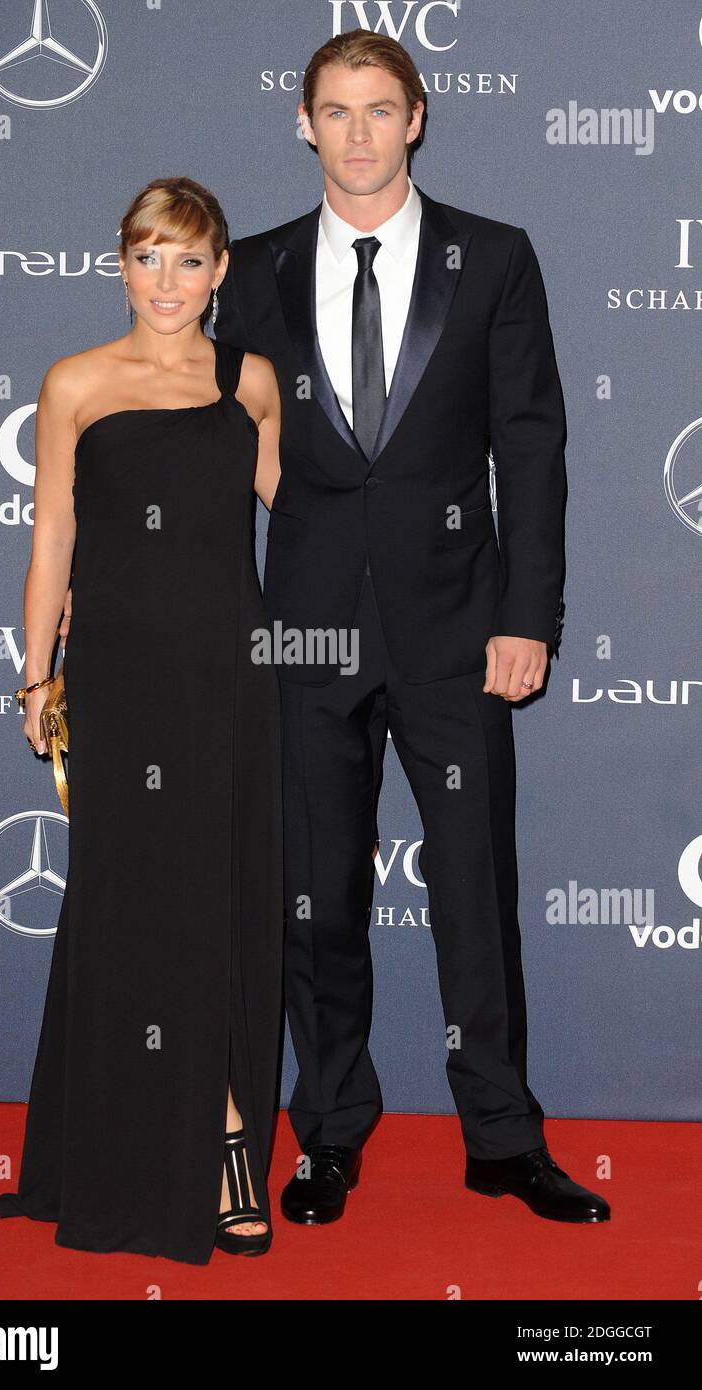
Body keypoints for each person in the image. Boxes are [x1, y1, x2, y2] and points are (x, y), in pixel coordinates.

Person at [209, 30, 611, 1227]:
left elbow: (532, 447)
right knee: (310, 895)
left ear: (419, 116)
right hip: (303, 632)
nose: (360, 134)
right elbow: (216, 449)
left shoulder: (492, 257)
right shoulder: (255, 268)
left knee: (475, 891)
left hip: (455, 625)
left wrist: (527, 616)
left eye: (381, 109)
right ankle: (327, 1133)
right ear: (304, 124)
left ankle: (501, 1134)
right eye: (336, 112)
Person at [0, 176, 285, 1263]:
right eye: (147, 257)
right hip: (117, 681)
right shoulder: (76, 380)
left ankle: (220, 1124)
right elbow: (53, 538)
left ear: (219, 272)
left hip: (230, 680)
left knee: (213, 899)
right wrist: (36, 675)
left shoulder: (249, 380)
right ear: (121, 262)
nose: (167, 282)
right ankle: (208, 1138)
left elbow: (297, 519)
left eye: (190, 260)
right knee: (133, 905)